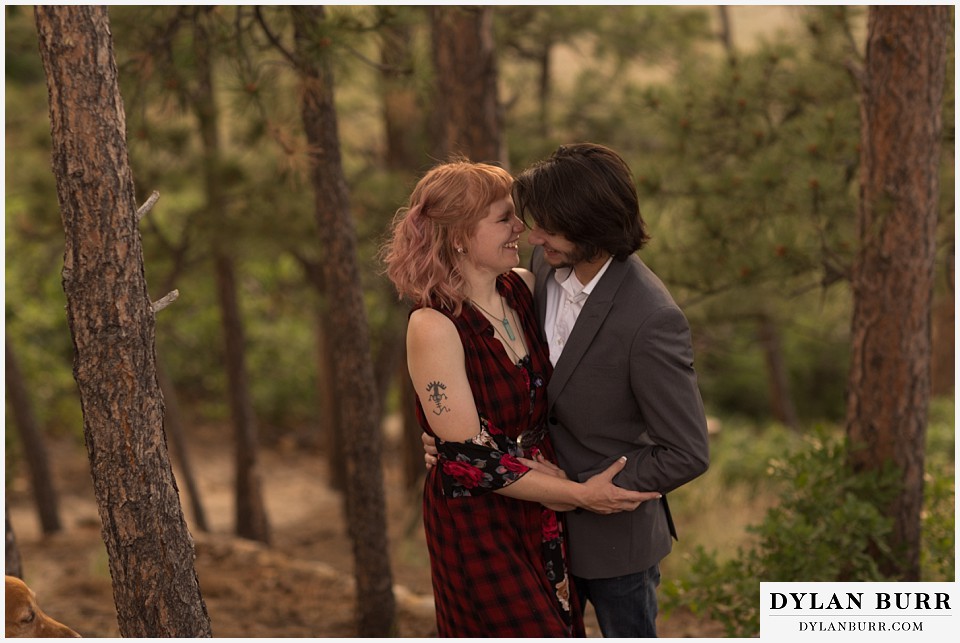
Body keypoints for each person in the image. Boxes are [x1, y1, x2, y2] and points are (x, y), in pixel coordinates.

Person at [424, 144, 711, 638]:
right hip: (527, 527)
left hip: (613, 540)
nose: (533, 235)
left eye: (549, 228)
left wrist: (586, 493)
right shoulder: (537, 270)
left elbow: (687, 452)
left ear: (593, 228)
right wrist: (453, 445)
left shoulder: (651, 318)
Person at [380, 158, 660, 638]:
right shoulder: (433, 326)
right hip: (479, 519)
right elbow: (470, 460)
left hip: (540, 511)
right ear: (460, 236)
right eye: (504, 218)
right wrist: (580, 495)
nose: (522, 229)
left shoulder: (525, 288)